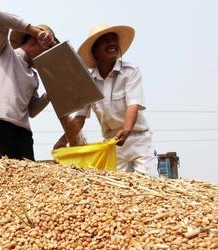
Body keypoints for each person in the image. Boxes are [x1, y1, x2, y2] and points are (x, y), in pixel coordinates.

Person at [55, 24, 159, 176]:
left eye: (113, 39)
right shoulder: (89, 82)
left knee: (150, 182)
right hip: (112, 143)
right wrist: (64, 139)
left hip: (138, 138)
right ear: (94, 51)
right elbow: (80, 118)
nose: (112, 43)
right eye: (105, 40)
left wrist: (127, 129)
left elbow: (133, 104)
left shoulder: (130, 71)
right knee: (114, 188)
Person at [0, 11, 58, 161]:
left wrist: (50, 93)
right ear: (34, 40)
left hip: (21, 136)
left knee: (24, 183)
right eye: (47, 48)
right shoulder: (4, 52)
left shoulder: (34, 76)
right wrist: (36, 31)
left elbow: (32, 111)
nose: (48, 54)